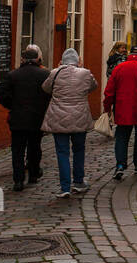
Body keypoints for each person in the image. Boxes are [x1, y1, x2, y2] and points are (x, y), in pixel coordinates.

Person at [41, 47, 97, 197]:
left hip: (58, 117)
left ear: (62, 61)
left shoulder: (55, 72)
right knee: (79, 150)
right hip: (79, 117)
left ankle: (65, 187)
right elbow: (93, 86)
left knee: (62, 152)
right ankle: (78, 182)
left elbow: (45, 88)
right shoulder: (85, 73)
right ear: (78, 60)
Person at [0, 44, 49, 191]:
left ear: (23, 59)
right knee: (34, 147)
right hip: (37, 118)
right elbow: (50, 94)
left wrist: (10, 104)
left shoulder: (13, 75)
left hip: (18, 118)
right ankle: (33, 174)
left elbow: (1, 91)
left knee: (17, 150)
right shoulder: (44, 75)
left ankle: (18, 180)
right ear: (37, 59)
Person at [103, 44, 137, 180]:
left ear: (130, 54)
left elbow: (109, 91)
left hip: (122, 108)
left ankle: (120, 165)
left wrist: (107, 108)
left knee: (121, 136)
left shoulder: (119, 68)